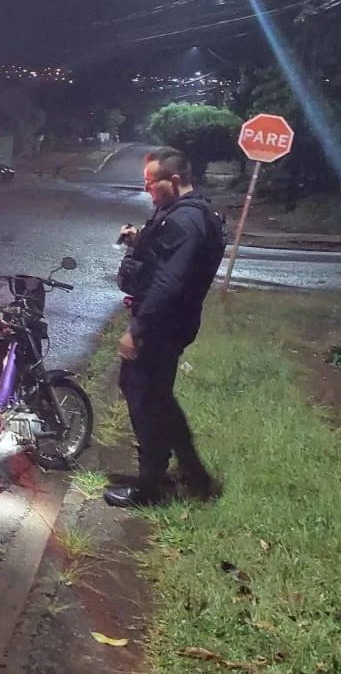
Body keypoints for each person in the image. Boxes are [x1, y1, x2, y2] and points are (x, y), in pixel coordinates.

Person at [104, 147, 226, 508]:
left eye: (151, 183)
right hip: (170, 321)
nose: (147, 190)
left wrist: (137, 330)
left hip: (162, 324)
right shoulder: (185, 212)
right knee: (158, 396)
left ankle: (150, 487)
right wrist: (140, 240)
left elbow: (169, 282)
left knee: (142, 395)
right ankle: (194, 473)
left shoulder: (187, 221)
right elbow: (167, 255)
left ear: (173, 180)